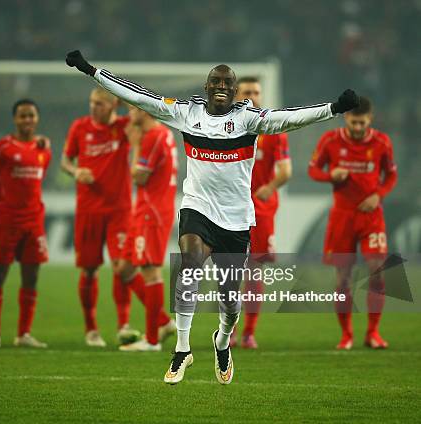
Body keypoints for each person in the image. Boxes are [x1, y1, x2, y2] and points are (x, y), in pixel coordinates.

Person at [65, 49, 359, 384]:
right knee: (189, 264)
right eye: (215, 81)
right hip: (197, 208)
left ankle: (222, 340)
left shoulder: (249, 120)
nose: (221, 85)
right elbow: (136, 94)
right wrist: (91, 71)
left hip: (235, 220)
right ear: (206, 87)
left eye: (227, 82)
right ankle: (182, 350)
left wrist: (333, 108)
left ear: (234, 92)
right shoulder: (186, 114)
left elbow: (291, 117)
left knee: (230, 301)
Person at [308, 96, 396, 350]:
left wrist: (378, 194)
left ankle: (373, 333)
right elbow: (313, 170)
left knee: (377, 270)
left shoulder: (381, 142)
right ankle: (346, 335)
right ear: (346, 118)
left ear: (370, 119)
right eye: (353, 122)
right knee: (342, 278)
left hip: (371, 217)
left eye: (362, 123)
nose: (358, 127)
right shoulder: (330, 141)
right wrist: (330, 175)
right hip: (342, 216)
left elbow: (391, 175)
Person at [61, 87, 140, 347]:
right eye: (92, 102)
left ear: (113, 105)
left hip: (119, 209)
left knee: (121, 266)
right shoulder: (80, 127)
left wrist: (121, 98)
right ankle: (91, 329)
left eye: (100, 104)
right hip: (88, 209)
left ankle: (123, 325)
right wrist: (75, 172)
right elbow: (65, 160)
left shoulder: (124, 127)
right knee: (90, 269)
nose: (94, 108)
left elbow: (139, 110)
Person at [0, 99, 51, 349]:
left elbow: (38, 178)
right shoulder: (2, 148)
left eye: (31, 116)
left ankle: (23, 333)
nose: (27, 120)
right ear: (15, 119)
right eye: (22, 116)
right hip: (7, 220)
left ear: (37, 119)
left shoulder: (44, 148)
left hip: (34, 221)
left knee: (31, 276)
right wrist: (7, 198)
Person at [232, 76, 292, 349]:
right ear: (236, 95)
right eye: (247, 92)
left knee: (254, 270)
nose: (253, 96)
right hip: (229, 208)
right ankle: (229, 331)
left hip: (260, 210)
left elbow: (286, 170)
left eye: (256, 92)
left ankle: (248, 333)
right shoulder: (228, 128)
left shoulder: (272, 130)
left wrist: (271, 186)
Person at [117, 104, 177, 352]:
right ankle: (163, 322)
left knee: (150, 271)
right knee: (124, 268)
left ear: (143, 111)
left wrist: (134, 145)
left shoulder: (152, 137)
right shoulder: (163, 133)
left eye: (132, 110)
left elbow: (139, 176)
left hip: (152, 212)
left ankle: (152, 340)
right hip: (145, 208)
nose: (129, 115)